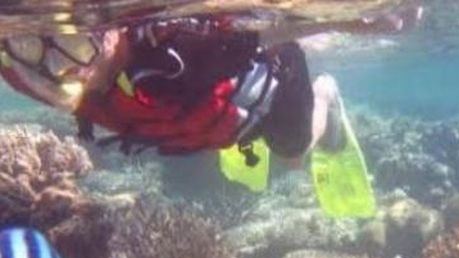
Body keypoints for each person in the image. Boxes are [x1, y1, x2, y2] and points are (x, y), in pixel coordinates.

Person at [0, 8, 423, 169]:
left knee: (292, 154)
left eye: (70, 52)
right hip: (206, 114)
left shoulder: (175, 43)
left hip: (269, 81)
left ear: (107, 36)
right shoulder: (41, 76)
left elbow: (273, 30)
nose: (63, 72)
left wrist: (359, 20)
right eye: (44, 63)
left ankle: (326, 93)